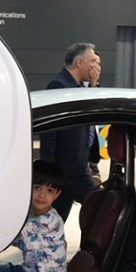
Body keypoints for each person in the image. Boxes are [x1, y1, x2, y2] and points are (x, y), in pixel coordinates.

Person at [38, 42, 101, 221]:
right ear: (80, 62)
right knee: (100, 208)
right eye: (92, 61)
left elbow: (90, 115)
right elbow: (50, 133)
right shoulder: (59, 85)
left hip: (76, 167)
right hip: (68, 169)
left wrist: (94, 86)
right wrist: (49, 172)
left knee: (56, 217)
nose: (96, 66)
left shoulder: (78, 86)